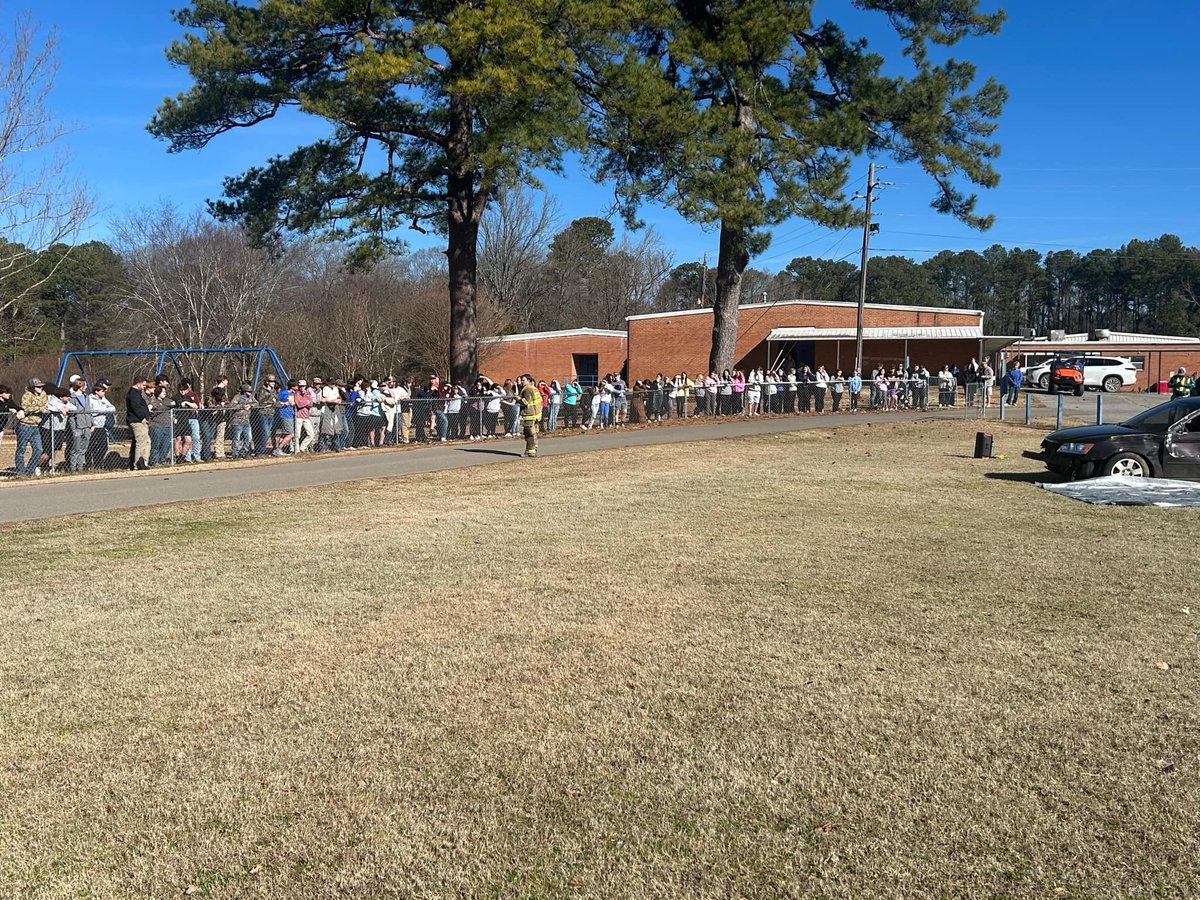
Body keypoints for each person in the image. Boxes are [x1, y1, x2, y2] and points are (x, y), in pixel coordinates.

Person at [517, 373, 542, 458]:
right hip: (535, 414)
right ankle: (531, 450)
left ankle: (531, 451)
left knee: (529, 434)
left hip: (529, 415)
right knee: (532, 433)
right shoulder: (534, 388)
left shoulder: (527, 389)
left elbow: (526, 402)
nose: (521, 382)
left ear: (529, 381)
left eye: (523, 380)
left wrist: (518, 398)